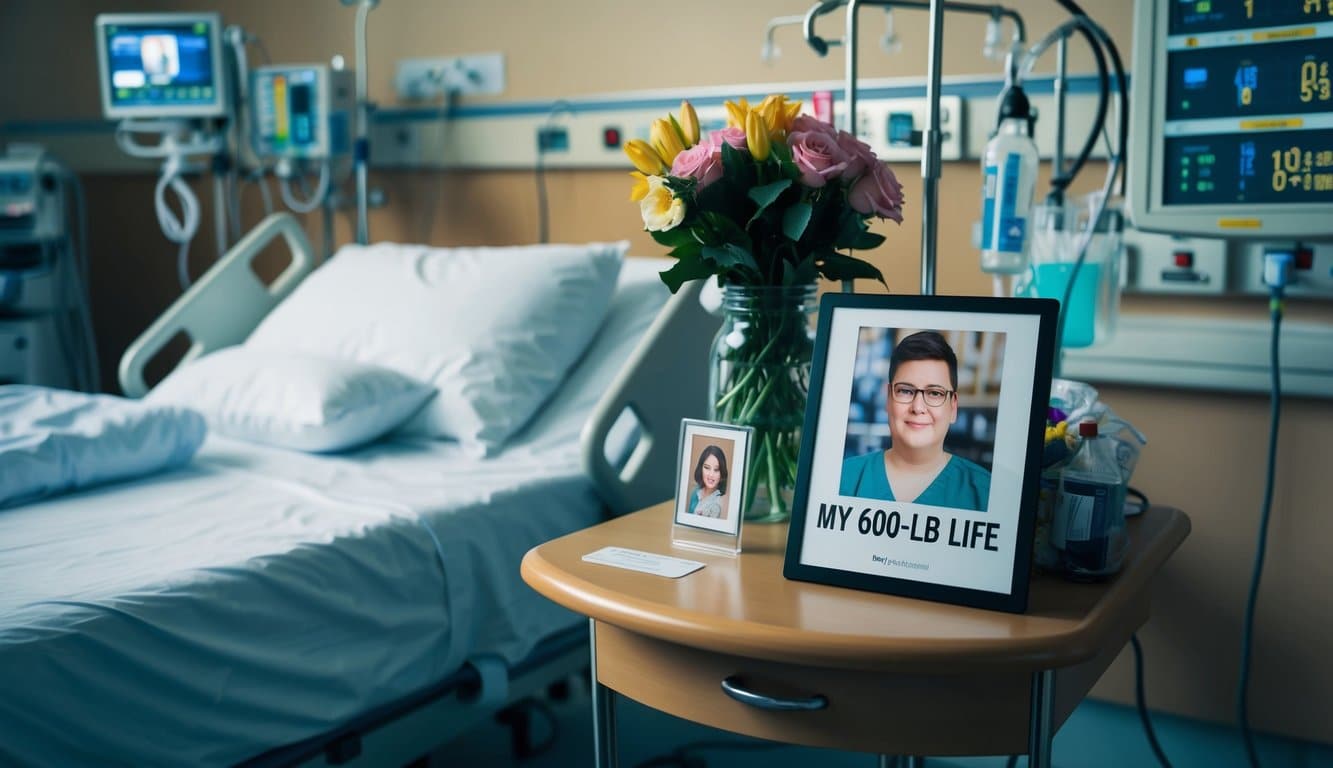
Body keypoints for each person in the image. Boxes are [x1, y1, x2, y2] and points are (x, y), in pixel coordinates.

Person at [840, 330, 991, 511]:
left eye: (935, 393)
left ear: (953, 407)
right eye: (906, 391)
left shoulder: (985, 494)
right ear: (888, 398)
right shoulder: (843, 479)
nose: (918, 407)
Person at [687, 444, 728, 518]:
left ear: (722, 472)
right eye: (707, 467)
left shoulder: (719, 503)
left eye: (716, 470)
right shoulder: (696, 491)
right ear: (701, 468)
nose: (711, 474)